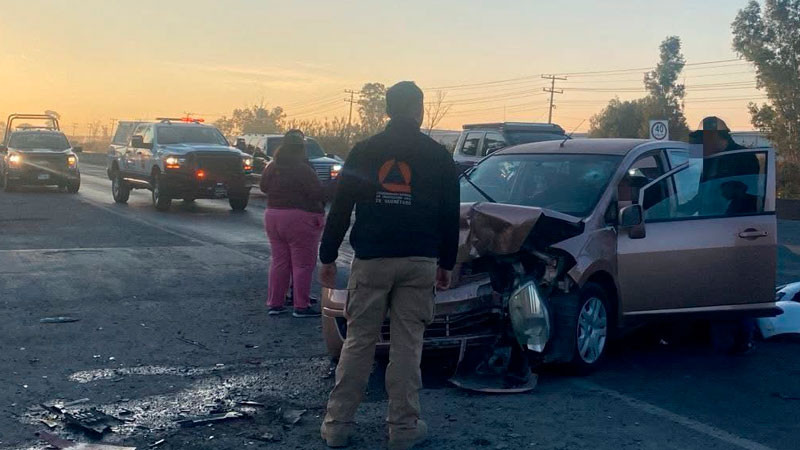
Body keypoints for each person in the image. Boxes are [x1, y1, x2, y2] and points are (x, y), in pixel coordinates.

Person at [317, 81, 460, 449]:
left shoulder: (364, 151)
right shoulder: (438, 155)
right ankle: (404, 430)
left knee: (359, 343)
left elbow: (341, 207)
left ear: (386, 110)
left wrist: (327, 256)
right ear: (419, 110)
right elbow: (449, 216)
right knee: (407, 347)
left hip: (373, 261)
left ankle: (337, 427)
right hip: (420, 262)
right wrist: (447, 261)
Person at [260, 129, 325, 317]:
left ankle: (275, 303)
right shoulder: (302, 169)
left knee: (280, 262)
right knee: (302, 264)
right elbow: (317, 193)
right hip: (300, 218)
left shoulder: (273, 166)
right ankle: (301, 305)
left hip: (273, 215)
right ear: (301, 148)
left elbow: (264, 187)